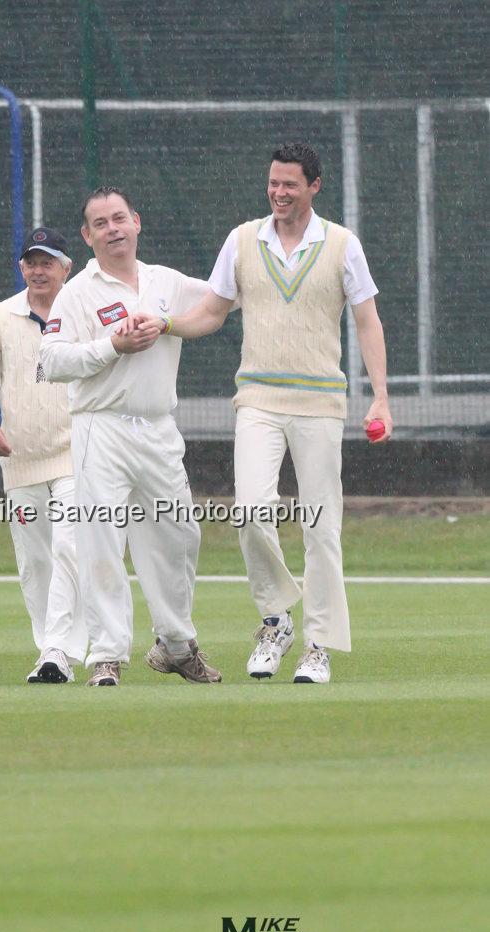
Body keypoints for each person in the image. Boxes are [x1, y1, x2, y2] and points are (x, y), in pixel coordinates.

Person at [132, 143, 393, 684]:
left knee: (322, 528)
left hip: (320, 401)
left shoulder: (343, 245)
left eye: (290, 184)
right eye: (273, 183)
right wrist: (166, 325)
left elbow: (367, 321)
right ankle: (276, 622)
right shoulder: (242, 240)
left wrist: (381, 397)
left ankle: (317, 645)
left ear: (314, 186)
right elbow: (212, 311)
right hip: (257, 399)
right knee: (251, 513)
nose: (278, 193)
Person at [39, 186, 221, 688]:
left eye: (119, 218)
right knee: (101, 540)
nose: (113, 228)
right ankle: (106, 656)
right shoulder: (77, 292)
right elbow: (51, 361)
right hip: (102, 426)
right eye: (101, 223)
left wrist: (171, 322)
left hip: (158, 426)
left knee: (180, 534)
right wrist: (111, 346)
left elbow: (221, 300)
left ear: (136, 222)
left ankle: (177, 645)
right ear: (87, 235)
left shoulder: (166, 281)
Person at [0, 227, 87, 683]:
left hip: (76, 453)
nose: (39, 270)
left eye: (48, 261)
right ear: (22, 268)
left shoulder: (82, 310)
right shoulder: (2, 316)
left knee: (70, 547)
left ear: (65, 268)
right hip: (20, 459)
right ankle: (49, 652)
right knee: (35, 564)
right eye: (31, 262)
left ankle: (60, 650)